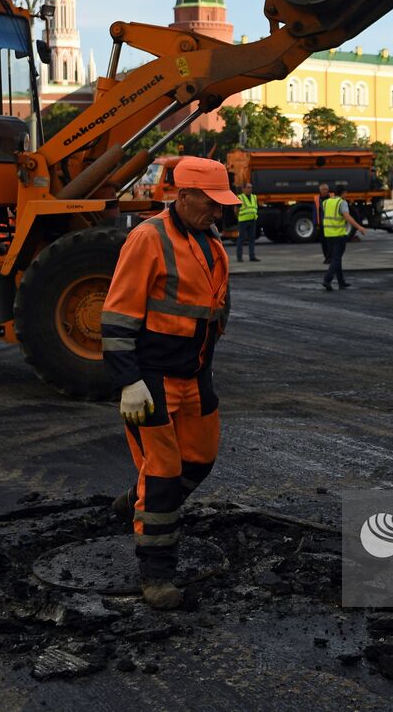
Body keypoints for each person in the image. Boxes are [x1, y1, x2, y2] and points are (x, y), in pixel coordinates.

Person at [101, 156, 236, 610]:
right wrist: (128, 382)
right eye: (211, 203)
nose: (219, 212)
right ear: (183, 196)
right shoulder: (147, 239)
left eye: (221, 204)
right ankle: (156, 575)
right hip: (152, 378)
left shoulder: (209, 240)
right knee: (163, 475)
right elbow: (118, 316)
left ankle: (136, 500)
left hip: (195, 375)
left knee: (201, 460)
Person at [322, 185, 367, 291]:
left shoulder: (326, 202)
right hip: (339, 235)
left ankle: (341, 282)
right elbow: (347, 217)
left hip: (328, 235)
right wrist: (359, 227)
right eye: (345, 193)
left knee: (336, 258)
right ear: (342, 193)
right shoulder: (342, 203)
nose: (346, 195)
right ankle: (327, 280)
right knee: (336, 259)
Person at [235, 182, 260, 263]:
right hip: (243, 221)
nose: (250, 189)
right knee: (241, 239)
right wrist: (238, 216)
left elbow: (255, 207)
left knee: (252, 239)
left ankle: (252, 256)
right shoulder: (240, 197)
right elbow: (236, 209)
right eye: (248, 187)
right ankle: (239, 258)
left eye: (251, 187)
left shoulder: (254, 197)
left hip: (252, 220)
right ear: (243, 189)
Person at [315, 182, 331, 263]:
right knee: (324, 242)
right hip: (322, 224)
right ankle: (327, 257)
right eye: (324, 189)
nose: (326, 191)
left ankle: (329, 258)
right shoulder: (317, 199)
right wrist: (316, 223)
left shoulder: (332, 197)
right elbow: (315, 212)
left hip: (330, 224)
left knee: (330, 242)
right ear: (320, 190)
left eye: (327, 189)